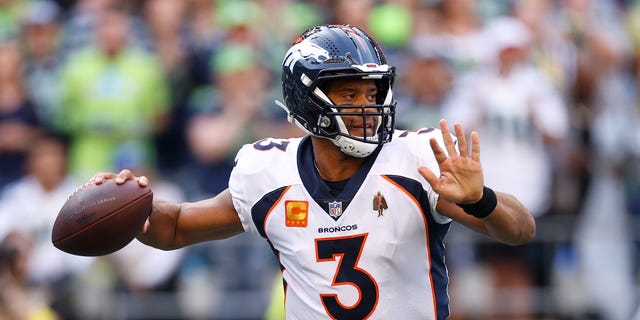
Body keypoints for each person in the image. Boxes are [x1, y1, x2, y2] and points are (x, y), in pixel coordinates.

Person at [90, 24, 535, 319]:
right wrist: (129, 206)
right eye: (348, 93)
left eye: (371, 91)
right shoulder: (267, 171)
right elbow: (176, 228)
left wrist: (482, 200)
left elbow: (519, 230)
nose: (366, 107)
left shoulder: (415, 159)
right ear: (307, 100)